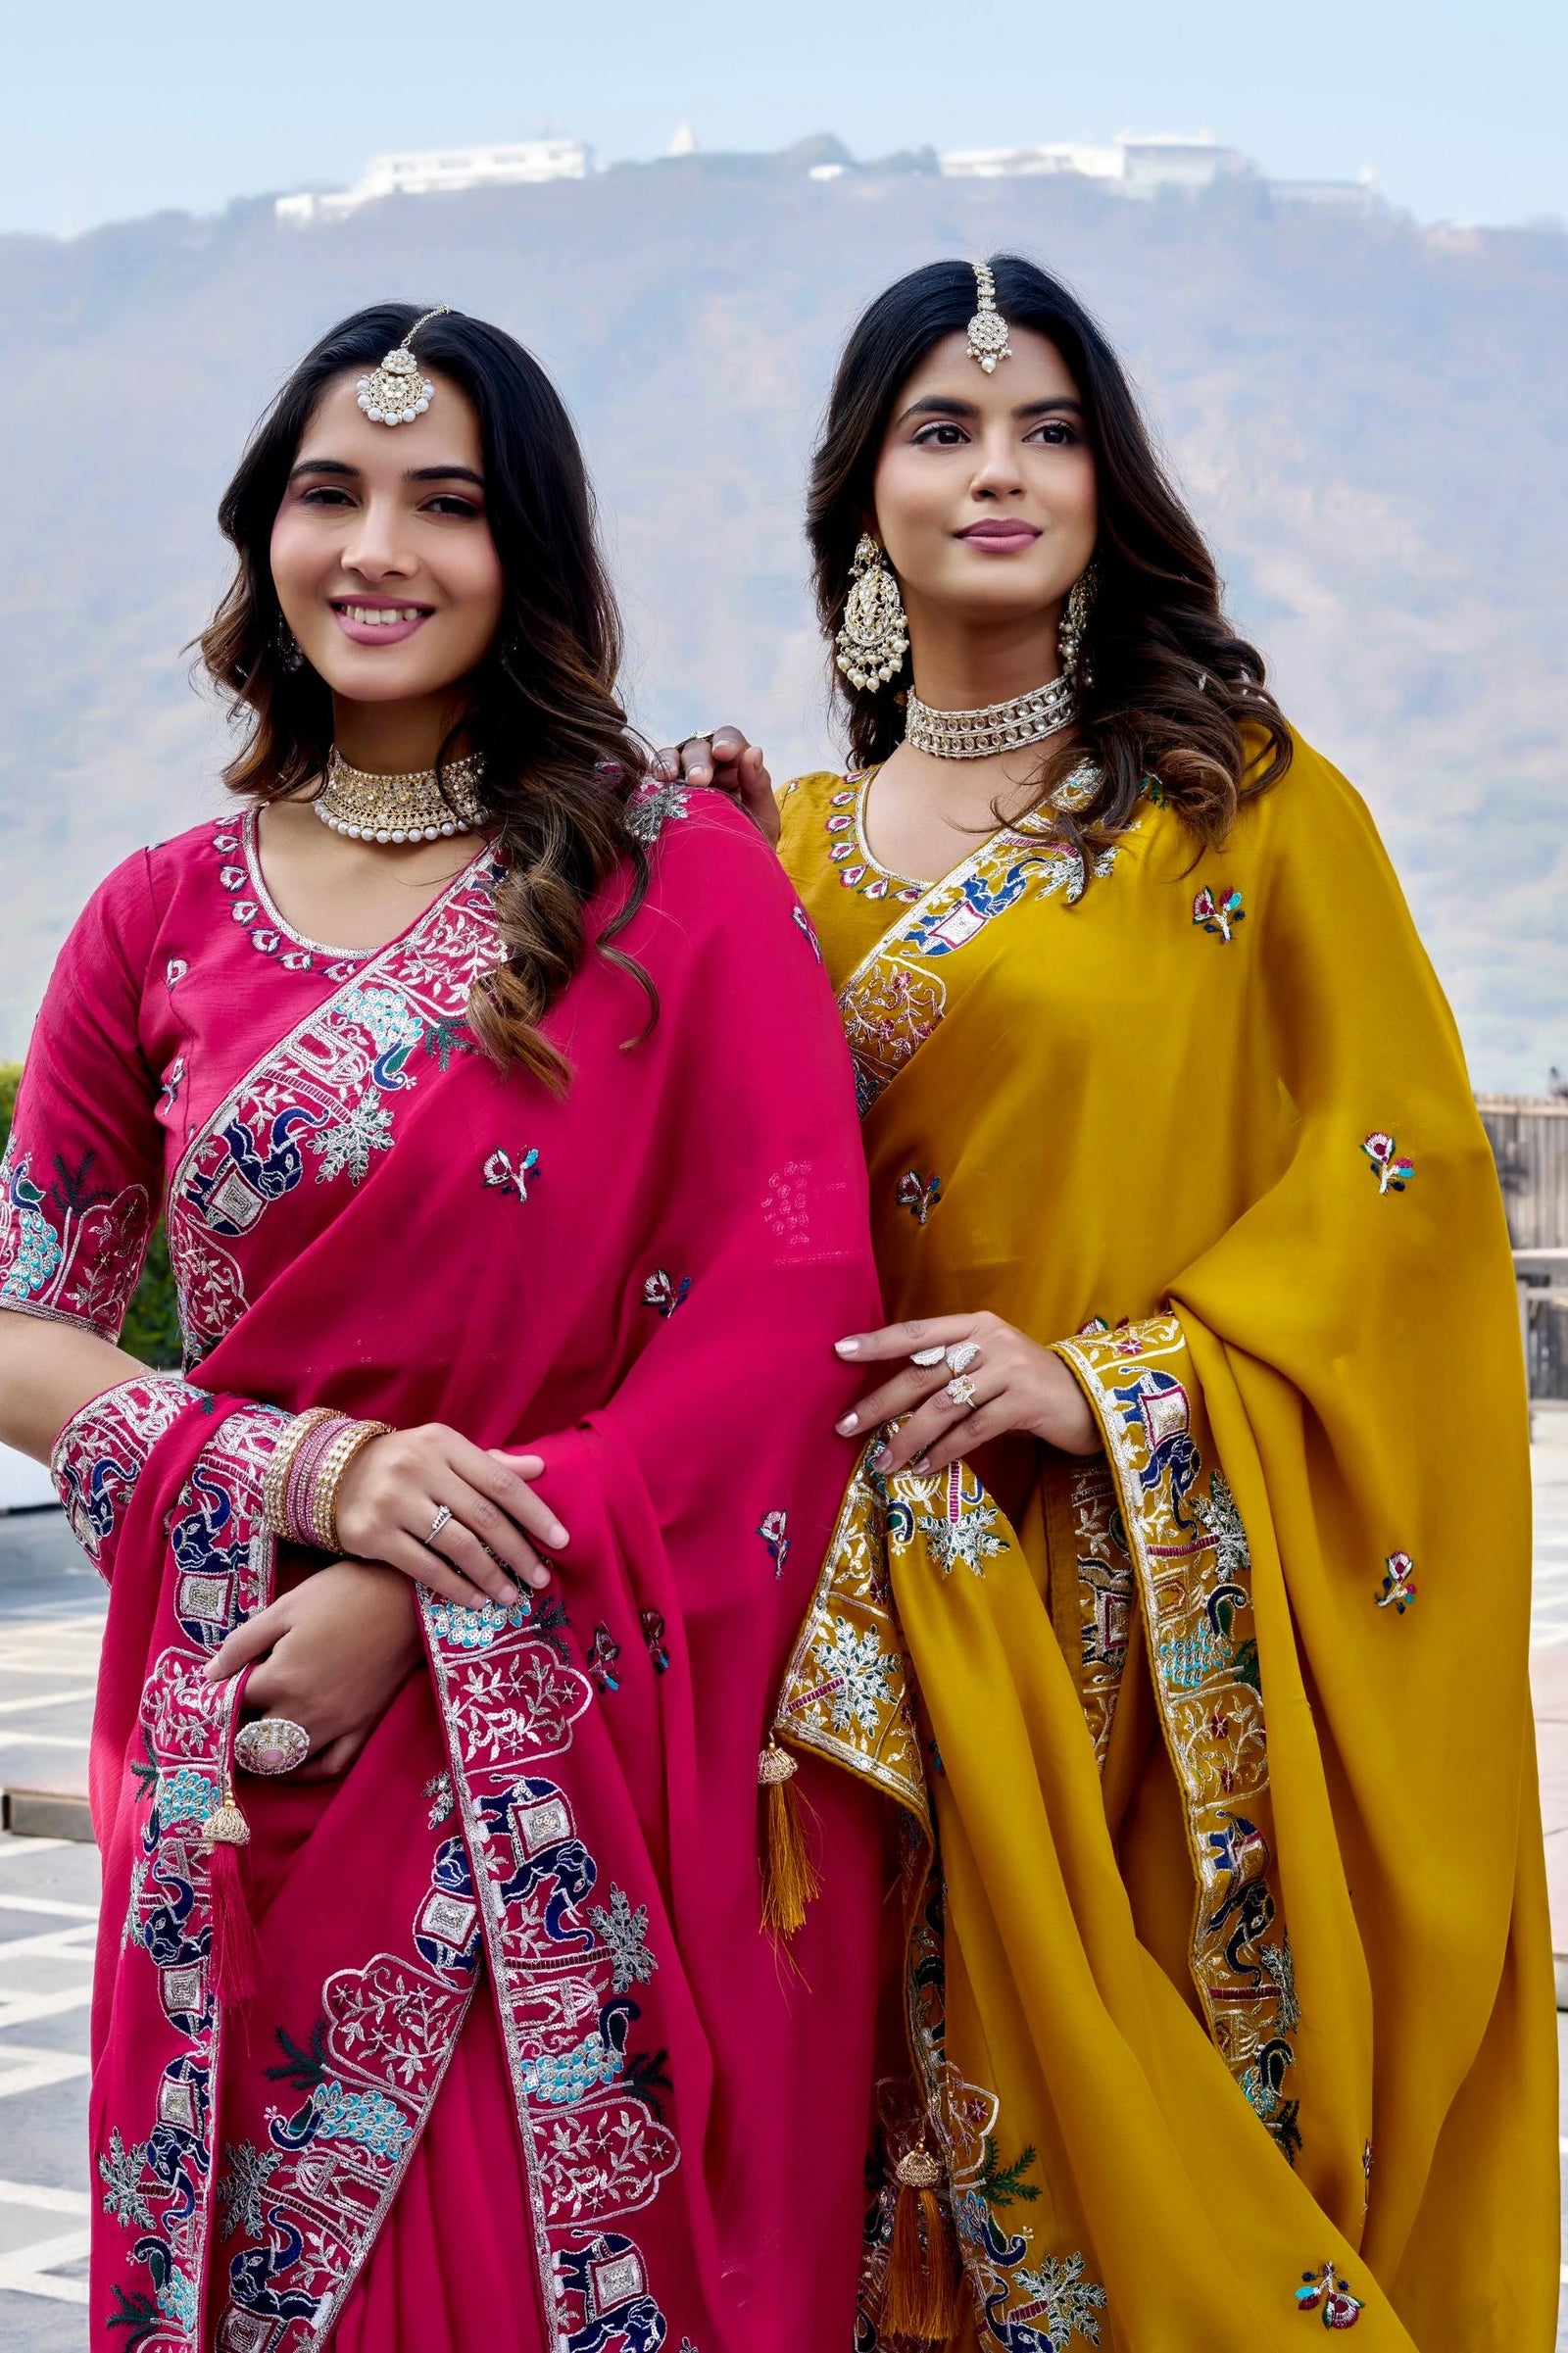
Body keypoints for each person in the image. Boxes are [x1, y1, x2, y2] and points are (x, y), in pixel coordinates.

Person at [660, 256, 1557, 2348]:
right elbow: (691, 1216)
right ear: (858, 497)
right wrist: (655, 888)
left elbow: (1392, 1188)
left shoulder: (1236, 802)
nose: (1001, 470)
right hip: (845, 1635)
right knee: (862, 2175)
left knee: (1154, 2154)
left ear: (1107, 482)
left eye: (1050, 429)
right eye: (945, 428)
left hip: (1153, 1618)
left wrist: (1107, 1381)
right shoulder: (771, 849)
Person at [0, 301, 886, 2352]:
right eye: (330, 492)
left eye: (446, 503)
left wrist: (435, 1582)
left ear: (530, 561)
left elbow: (781, 1319)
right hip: (242, 1740)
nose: (376, 547)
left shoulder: (675, 886)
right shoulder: (153, 913)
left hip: (539, 1753)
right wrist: (316, 1474)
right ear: (263, 536)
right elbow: (30, 1324)